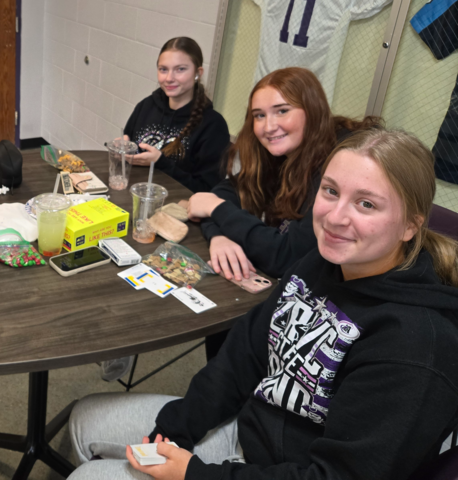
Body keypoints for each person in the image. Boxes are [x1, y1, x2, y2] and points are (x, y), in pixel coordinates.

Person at [67, 128, 458, 480]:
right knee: (84, 420)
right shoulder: (323, 262)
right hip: (251, 433)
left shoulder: (416, 346)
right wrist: (176, 430)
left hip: (288, 469)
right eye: (331, 191)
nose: (336, 217)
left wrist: (194, 474)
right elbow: (245, 355)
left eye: (366, 204)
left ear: (410, 225)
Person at [188, 67, 379, 282]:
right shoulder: (284, 149)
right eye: (259, 115)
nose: (269, 126)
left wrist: (216, 210)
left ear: (312, 110)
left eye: (282, 111)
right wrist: (219, 235)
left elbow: (287, 258)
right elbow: (228, 191)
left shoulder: (340, 163)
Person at [123, 36, 230, 193]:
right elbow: (129, 160)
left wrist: (160, 162)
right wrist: (123, 150)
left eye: (180, 69)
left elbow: (207, 191)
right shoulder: (146, 106)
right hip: (134, 197)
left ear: (198, 73)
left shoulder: (213, 125)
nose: (169, 78)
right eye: (163, 69)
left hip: (176, 211)